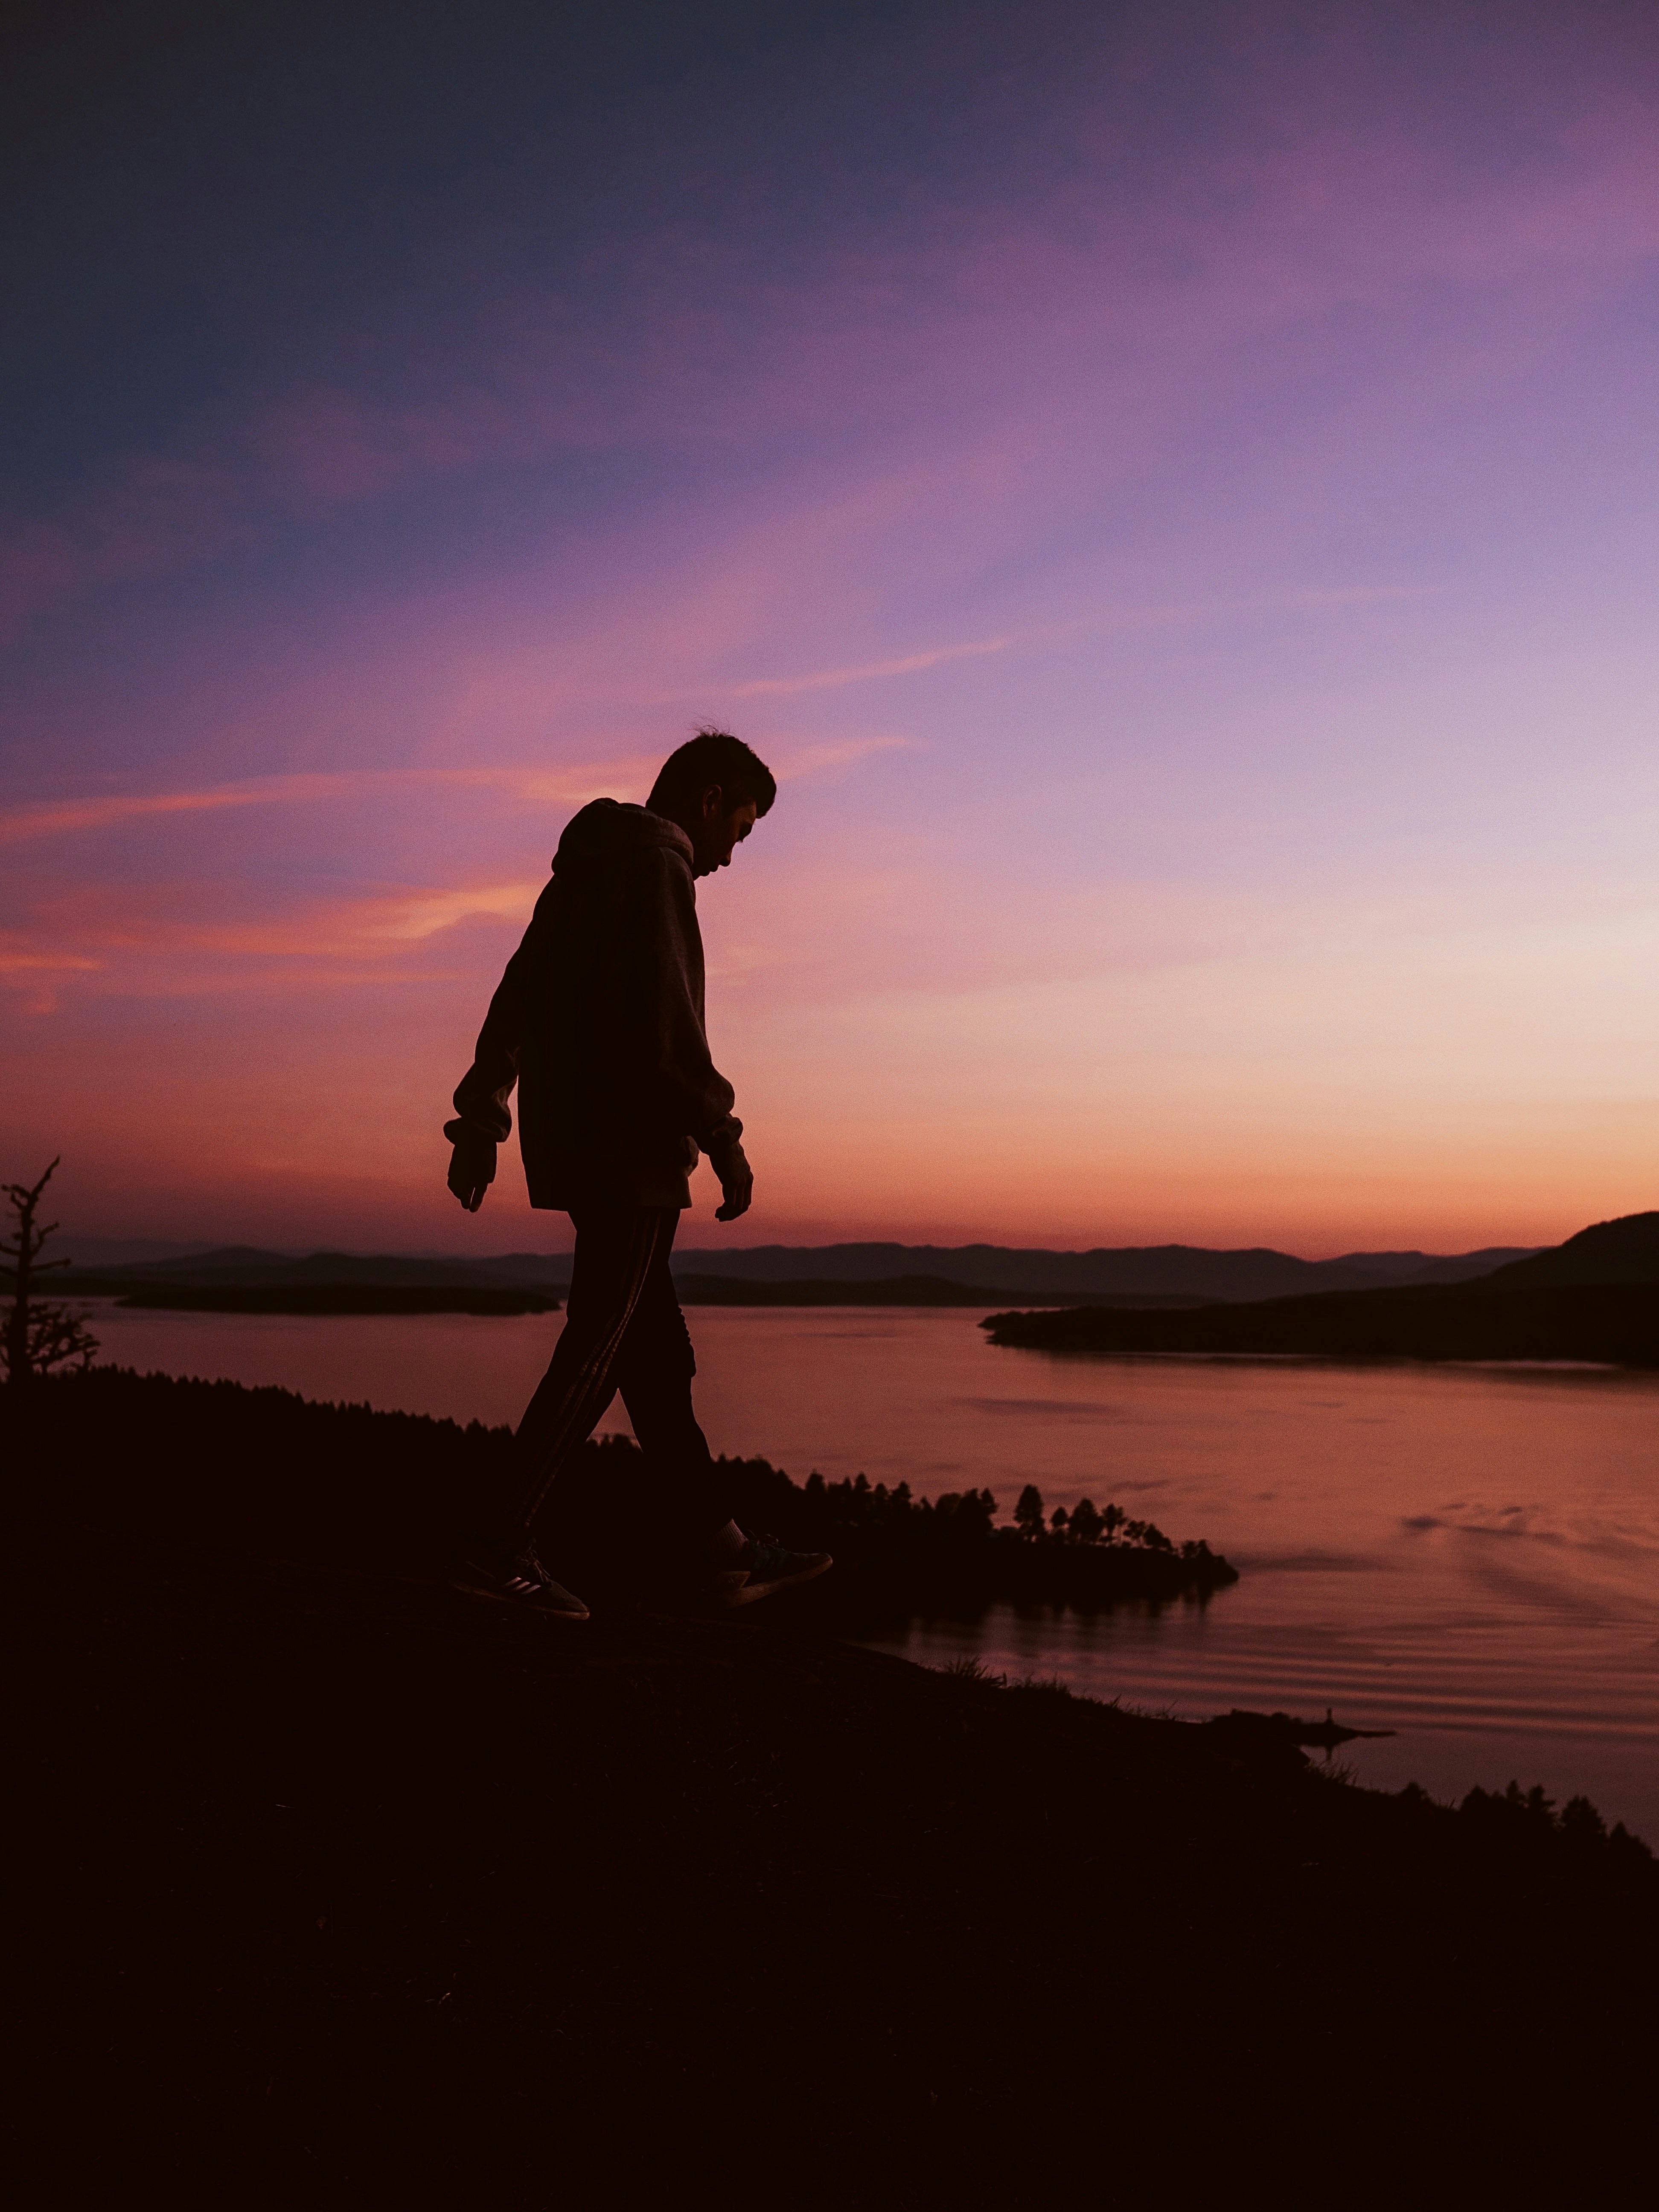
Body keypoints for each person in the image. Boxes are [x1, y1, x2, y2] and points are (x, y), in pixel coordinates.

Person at [442, 728, 832, 1618]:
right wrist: (724, 1135)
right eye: (740, 827)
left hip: (579, 1145)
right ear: (707, 802)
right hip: (632, 1151)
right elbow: (669, 1027)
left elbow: (518, 993)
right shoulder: (658, 864)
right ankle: (492, 1549)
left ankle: (723, 1554)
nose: (733, 855)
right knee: (598, 1349)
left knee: (657, 1361)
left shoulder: (583, 868)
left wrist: (482, 1116)